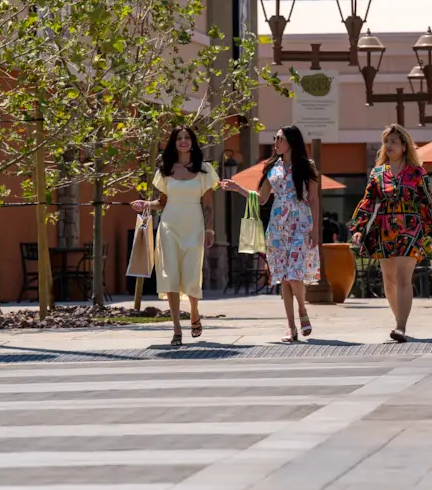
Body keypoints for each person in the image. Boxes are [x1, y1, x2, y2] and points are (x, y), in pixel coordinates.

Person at [222, 125, 320, 343]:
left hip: (300, 223)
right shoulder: (271, 167)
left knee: (294, 273)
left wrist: (314, 229)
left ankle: (302, 311)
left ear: (291, 142)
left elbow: (313, 199)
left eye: (279, 138)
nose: (275, 142)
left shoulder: (307, 166)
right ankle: (291, 327)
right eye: (275, 138)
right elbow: (262, 198)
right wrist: (237, 188)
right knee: (283, 278)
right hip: (277, 226)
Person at [350, 124, 432, 344]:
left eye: (394, 141)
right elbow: (368, 202)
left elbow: (428, 202)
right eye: (386, 141)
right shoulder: (377, 173)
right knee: (389, 280)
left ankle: (401, 326)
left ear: (404, 146)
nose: (389, 145)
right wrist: (358, 228)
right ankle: (398, 320)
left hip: (410, 229)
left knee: (403, 278)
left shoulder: (417, 173)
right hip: (384, 230)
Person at [130, 124, 219, 348]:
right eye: (179, 138)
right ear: (174, 142)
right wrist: (145, 204)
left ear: (192, 142)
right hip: (169, 227)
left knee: (191, 274)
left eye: (187, 137)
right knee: (169, 276)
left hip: (194, 227)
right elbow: (161, 203)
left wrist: (209, 229)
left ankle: (195, 313)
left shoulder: (204, 169)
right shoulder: (165, 169)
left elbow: (208, 205)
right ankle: (177, 329)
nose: (183, 141)